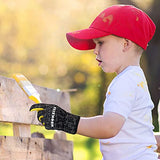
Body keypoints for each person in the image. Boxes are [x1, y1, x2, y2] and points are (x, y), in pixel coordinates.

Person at [30, 5, 158, 160]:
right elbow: (134, 135)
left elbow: (109, 126)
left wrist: (66, 121)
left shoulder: (126, 81)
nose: (95, 50)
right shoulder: (134, 78)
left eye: (101, 43)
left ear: (125, 44)